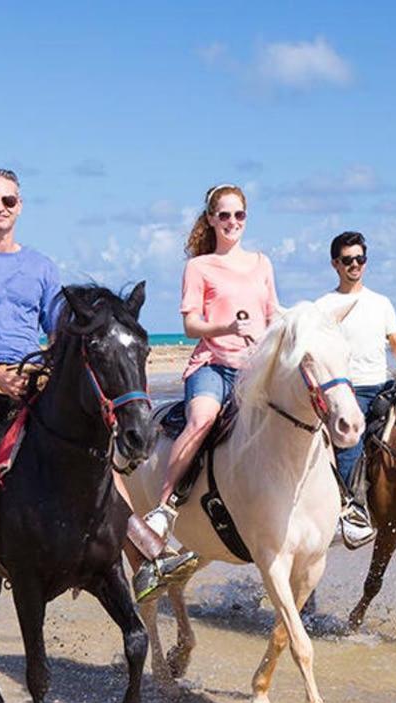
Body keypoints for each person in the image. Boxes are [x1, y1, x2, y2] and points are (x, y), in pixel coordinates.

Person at [0, 168, 193, 607]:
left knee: (97, 449)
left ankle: (147, 559)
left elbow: (57, 331)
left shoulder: (41, 266)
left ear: (19, 206)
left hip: (33, 371)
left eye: (7, 201)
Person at [142, 184, 280, 552]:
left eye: (239, 215)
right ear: (211, 219)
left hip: (255, 369)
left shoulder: (262, 263)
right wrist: (227, 328)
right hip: (213, 365)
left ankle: (336, 505)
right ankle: (165, 505)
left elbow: (273, 314)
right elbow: (191, 326)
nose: (232, 222)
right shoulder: (199, 267)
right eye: (224, 215)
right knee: (202, 419)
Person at [313, 231, 396, 547]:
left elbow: (395, 341)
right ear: (335, 264)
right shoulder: (325, 305)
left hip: (384, 387)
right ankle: (353, 509)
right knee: (351, 443)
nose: (355, 265)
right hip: (347, 393)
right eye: (348, 260)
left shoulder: (380, 303)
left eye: (360, 259)